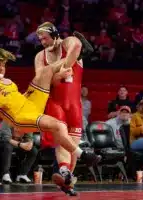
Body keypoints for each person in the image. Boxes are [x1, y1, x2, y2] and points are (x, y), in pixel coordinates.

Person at [0, 47, 101, 184]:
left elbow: (16, 99)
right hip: (20, 117)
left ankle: (75, 58)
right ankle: (83, 155)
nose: (1, 69)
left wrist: (28, 94)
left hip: (29, 104)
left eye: (3, 65)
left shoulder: (8, 82)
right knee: (59, 126)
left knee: (46, 72)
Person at [35, 22, 93, 195]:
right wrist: (57, 76)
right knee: (63, 140)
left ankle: (67, 180)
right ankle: (64, 172)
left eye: (44, 38)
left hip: (74, 104)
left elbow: (76, 45)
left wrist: (63, 67)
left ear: (54, 34)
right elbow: (39, 80)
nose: (42, 42)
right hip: (54, 102)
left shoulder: (69, 43)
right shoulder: (40, 56)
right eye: (40, 39)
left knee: (72, 149)